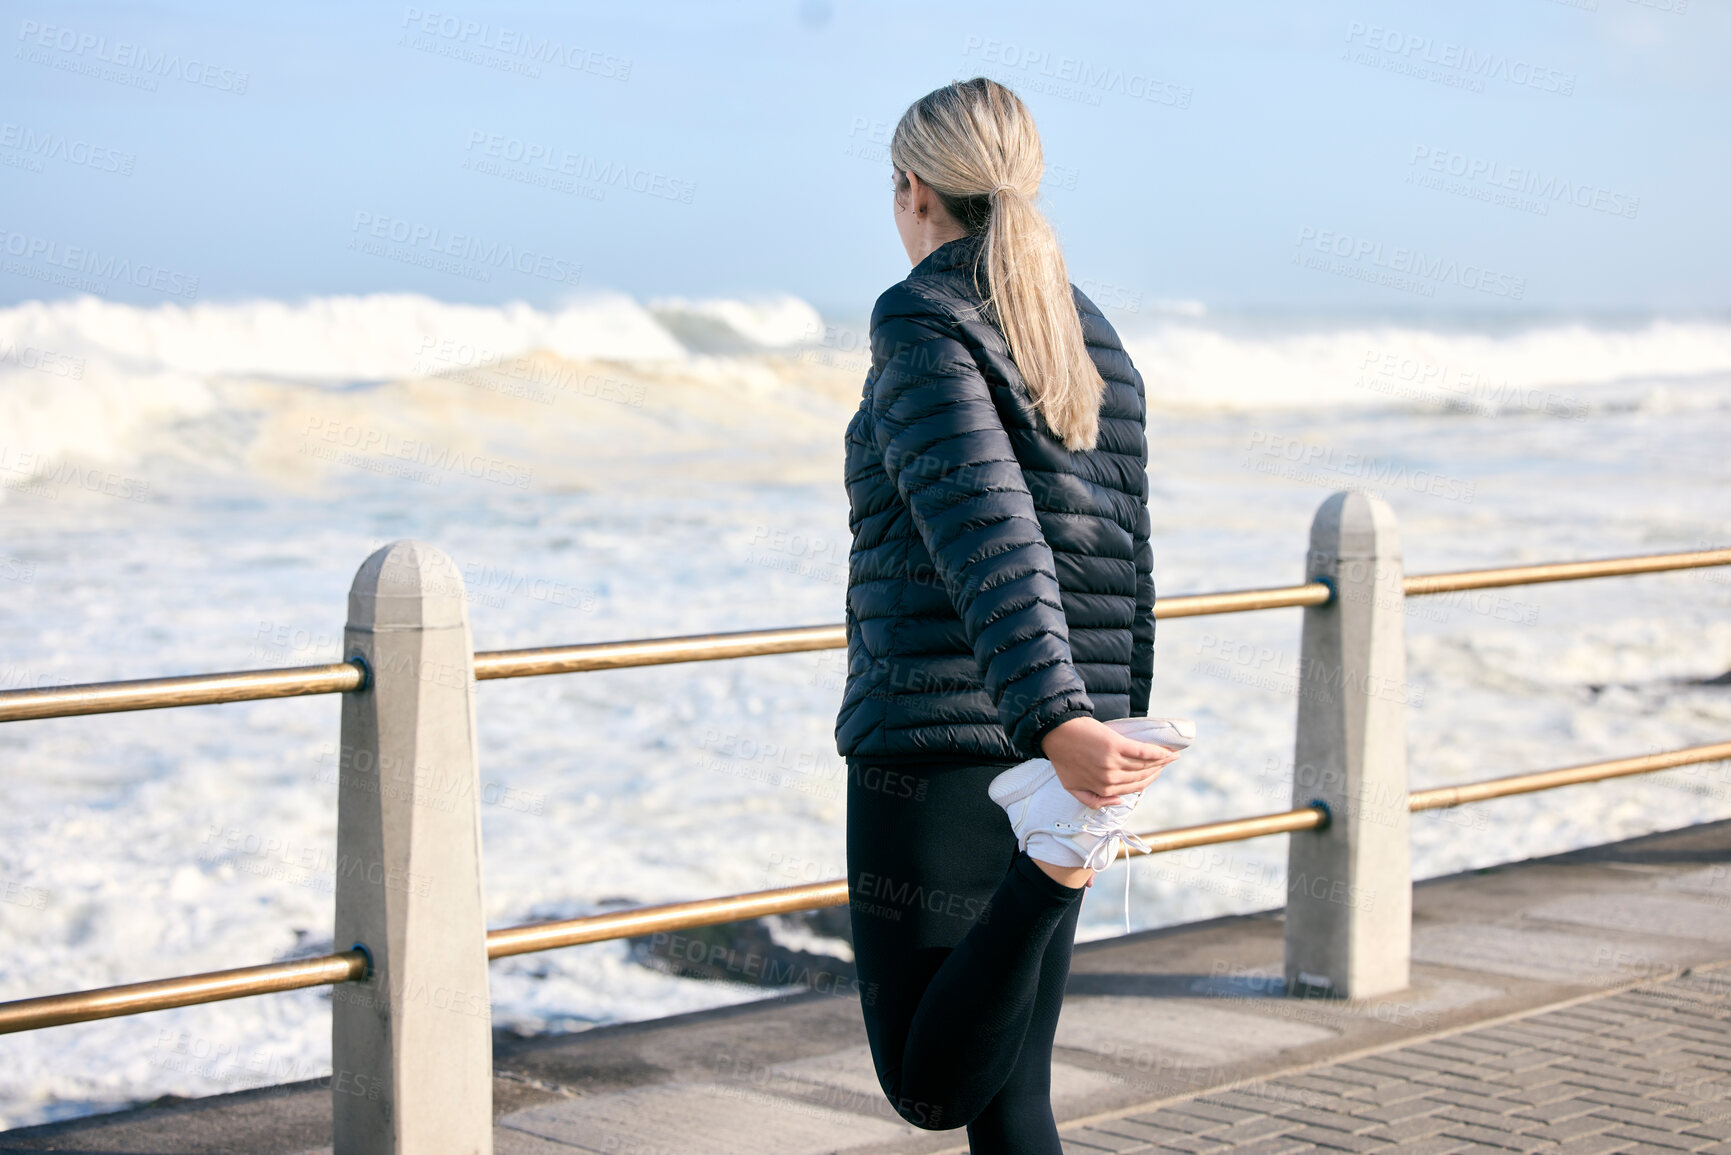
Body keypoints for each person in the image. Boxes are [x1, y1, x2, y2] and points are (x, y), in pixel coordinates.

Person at [836, 77, 1181, 1153]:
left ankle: (1053, 864)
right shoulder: (1087, 331)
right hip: (1065, 753)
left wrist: (1059, 731)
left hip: (953, 746)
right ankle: (1056, 853)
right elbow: (1119, 551)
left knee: (932, 1087)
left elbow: (986, 530)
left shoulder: (923, 317)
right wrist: (1105, 723)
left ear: (913, 187)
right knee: (1011, 1103)